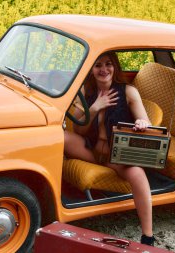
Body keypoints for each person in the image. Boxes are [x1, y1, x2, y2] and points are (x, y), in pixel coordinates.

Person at [64, 52, 155, 246]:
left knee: (138, 175)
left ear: (115, 67)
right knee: (59, 138)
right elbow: (79, 129)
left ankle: (148, 236)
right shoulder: (85, 91)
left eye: (108, 64)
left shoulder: (128, 92)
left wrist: (141, 122)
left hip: (117, 156)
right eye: (98, 65)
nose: (104, 69)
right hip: (90, 150)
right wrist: (95, 107)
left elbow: (146, 120)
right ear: (91, 69)